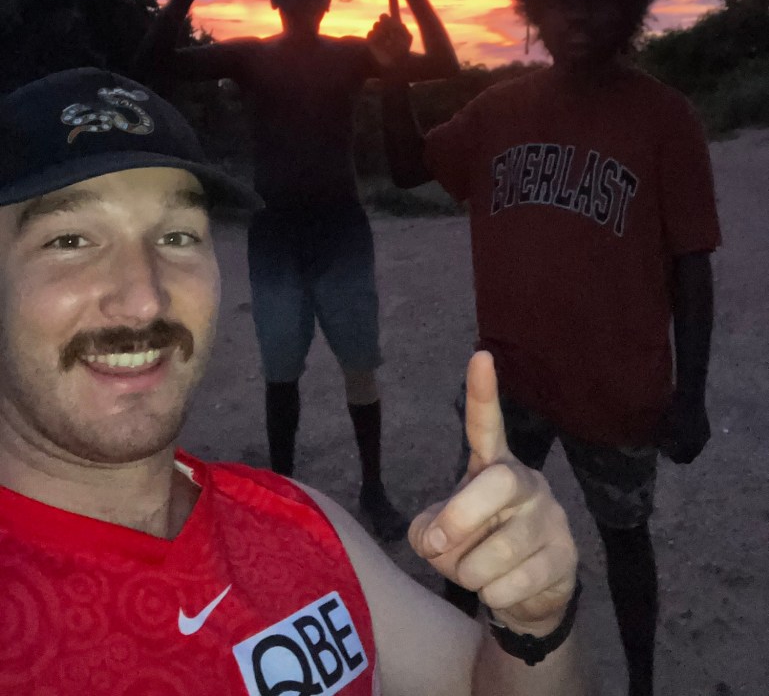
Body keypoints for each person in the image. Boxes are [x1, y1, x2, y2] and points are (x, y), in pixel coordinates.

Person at [0, 67, 589, 695]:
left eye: (177, 236)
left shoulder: (300, 522)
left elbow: (478, 684)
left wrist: (535, 625)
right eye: (70, 240)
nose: (145, 299)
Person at [373, 0, 721, 696]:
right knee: (475, 533)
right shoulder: (501, 109)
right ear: (535, 10)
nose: (579, 17)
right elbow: (404, 168)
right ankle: (456, 668)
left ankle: (639, 682)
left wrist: (690, 394)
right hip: (512, 381)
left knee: (624, 539)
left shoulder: (663, 118)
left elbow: (690, 264)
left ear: (629, 8)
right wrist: (392, 78)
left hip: (617, 387)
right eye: (562, 2)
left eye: (597, 1)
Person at [132, 0, 459, 542]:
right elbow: (154, 63)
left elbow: (442, 62)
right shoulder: (250, 58)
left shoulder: (353, 56)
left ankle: (373, 490)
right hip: (275, 235)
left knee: (359, 367)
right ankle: (282, 493)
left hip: (341, 231)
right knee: (281, 372)